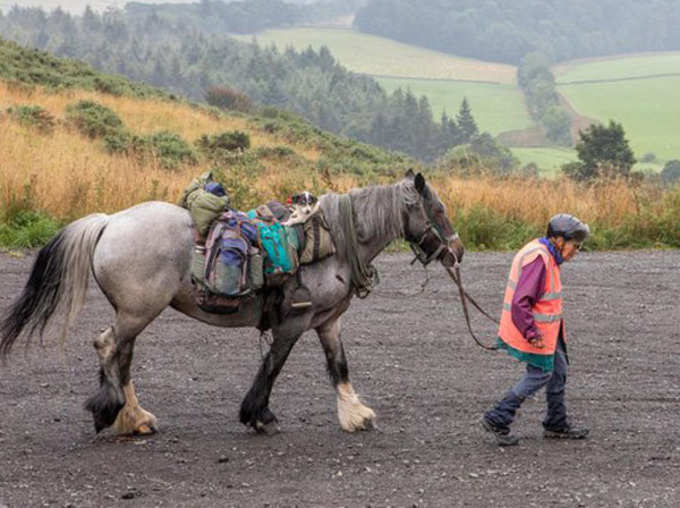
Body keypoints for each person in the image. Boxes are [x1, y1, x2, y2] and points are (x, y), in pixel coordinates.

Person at [481, 213, 591, 446]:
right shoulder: (539, 258)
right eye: (575, 246)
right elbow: (521, 301)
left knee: (558, 370)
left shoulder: (547, 254)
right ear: (559, 240)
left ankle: (556, 422)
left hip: (550, 333)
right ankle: (498, 417)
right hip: (535, 333)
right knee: (541, 374)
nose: (576, 252)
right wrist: (532, 333)